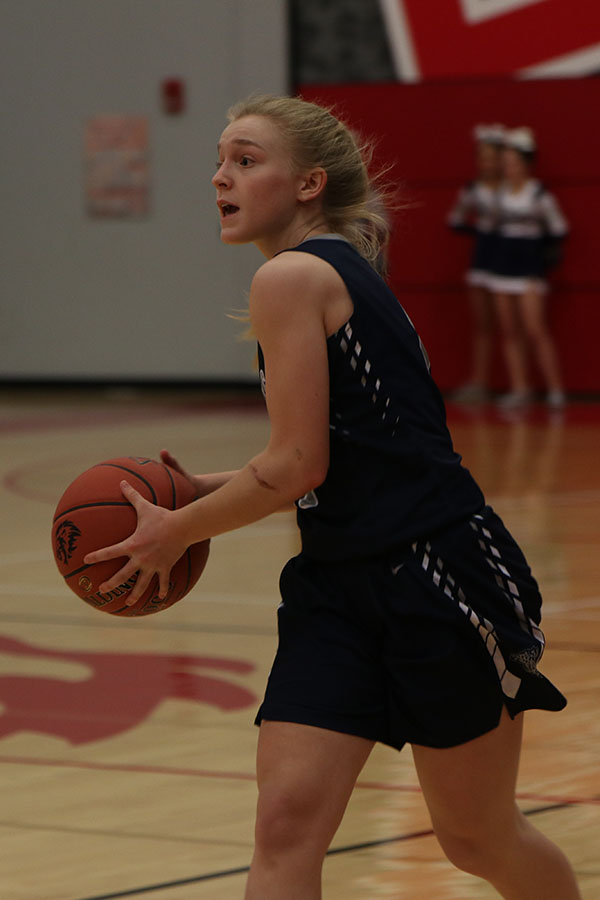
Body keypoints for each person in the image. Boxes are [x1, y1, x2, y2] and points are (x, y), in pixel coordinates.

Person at [84, 95, 580, 899]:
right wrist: (192, 494)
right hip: (339, 586)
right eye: (219, 159)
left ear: (309, 183)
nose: (220, 176)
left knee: (478, 838)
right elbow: (328, 459)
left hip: (437, 575)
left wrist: (177, 529)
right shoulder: (321, 274)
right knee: (286, 823)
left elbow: (297, 468)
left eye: (246, 159)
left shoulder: (295, 275)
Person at [490, 127, 569, 410]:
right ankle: (520, 387)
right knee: (509, 331)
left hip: (530, 271)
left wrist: (541, 268)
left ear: (525, 163)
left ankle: (555, 389)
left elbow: (559, 231)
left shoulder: (540, 195)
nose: (507, 167)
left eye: (512, 162)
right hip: (502, 268)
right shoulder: (498, 194)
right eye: (505, 162)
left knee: (535, 329)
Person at [447, 123, 505, 404]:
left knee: (513, 325)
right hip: (483, 259)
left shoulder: (514, 190)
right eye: (481, 157)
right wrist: (480, 231)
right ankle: (480, 382)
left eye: (491, 157)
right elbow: (455, 220)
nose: (486, 163)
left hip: (512, 263)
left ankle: (521, 385)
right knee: (483, 325)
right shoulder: (474, 189)